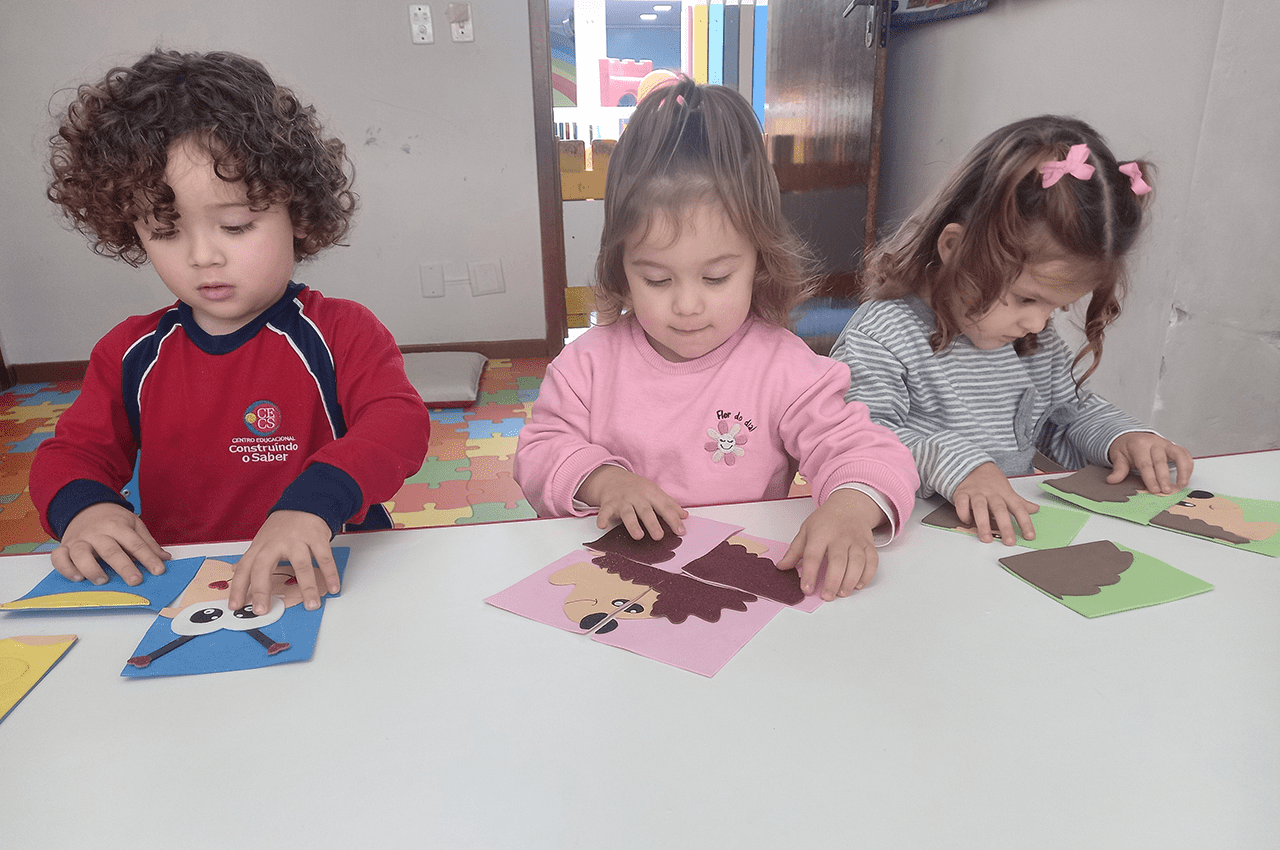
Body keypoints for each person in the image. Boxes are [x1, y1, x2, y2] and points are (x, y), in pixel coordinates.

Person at [32, 49, 431, 613]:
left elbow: (398, 425)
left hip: (334, 575)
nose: (202, 256)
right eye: (165, 230)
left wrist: (315, 505)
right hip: (189, 584)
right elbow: (69, 454)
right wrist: (87, 511)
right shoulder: (129, 352)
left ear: (295, 211)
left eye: (236, 225)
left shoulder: (342, 331)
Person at [514, 80, 918, 601]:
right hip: (616, 585)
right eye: (657, 280)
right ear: (621, 269)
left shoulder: (783, 368)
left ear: (759, 264)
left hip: (732, 587)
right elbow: (540, 452)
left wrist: (849, 508)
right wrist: (604, 481)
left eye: (716, 278)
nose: (686, 306)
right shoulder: (587, 365)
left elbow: (865, 448)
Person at [828, 115, 1193, 545]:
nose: (1037, 324)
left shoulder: (1029, 340)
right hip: (912, 540)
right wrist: (962, 464)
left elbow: (1065, 416)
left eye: (1056, 307)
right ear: (954, 249)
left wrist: (1123, 437)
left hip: (1004, 539)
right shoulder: (883, 334)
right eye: (1025, 299)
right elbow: (860, 439)